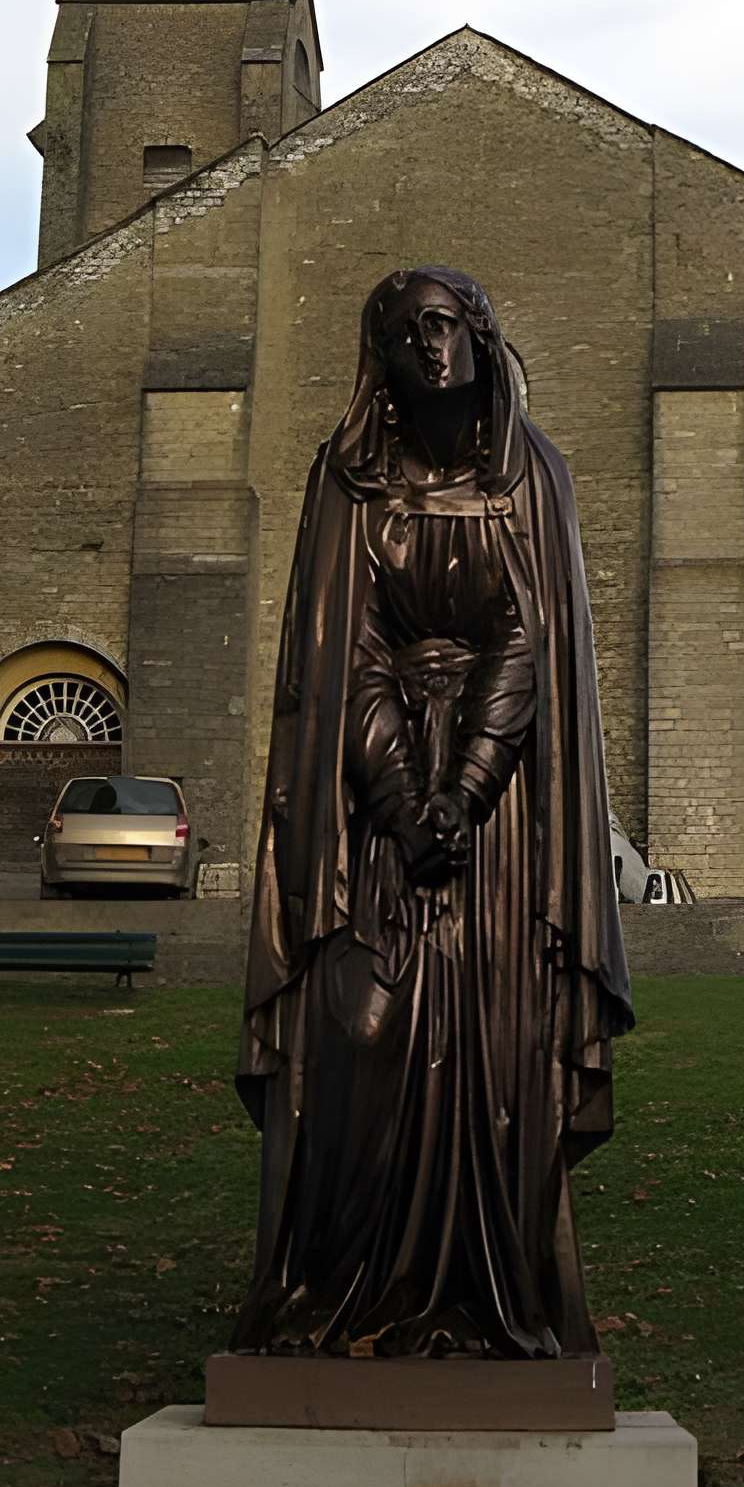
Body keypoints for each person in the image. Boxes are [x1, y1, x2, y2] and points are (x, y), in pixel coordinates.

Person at [232, 267, 634, 1360]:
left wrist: (463, 789)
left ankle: (487, 1292)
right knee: (359, 1037)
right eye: (407, 333)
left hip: (498, 824)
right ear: (383, 359)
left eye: (446, 326)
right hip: (378, 811)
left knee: (500, 1056)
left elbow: (530, 639)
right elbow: (339, 652)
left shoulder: (529, 479)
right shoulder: (347, 480)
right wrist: (405, 799)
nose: (431, 347)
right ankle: (343, 1289)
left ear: (479, 337)